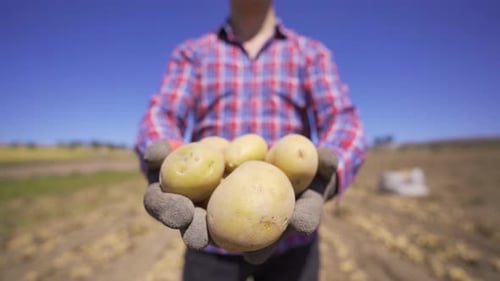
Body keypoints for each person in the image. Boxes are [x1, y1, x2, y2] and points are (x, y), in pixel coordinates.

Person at [134, 0, 366, 280]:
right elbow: (162, 113)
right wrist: (166, 154)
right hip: (209, 236)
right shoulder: (193, 53)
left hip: (292, 238)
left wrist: (328, 174)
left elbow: (343, 119)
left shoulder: (310, 53)